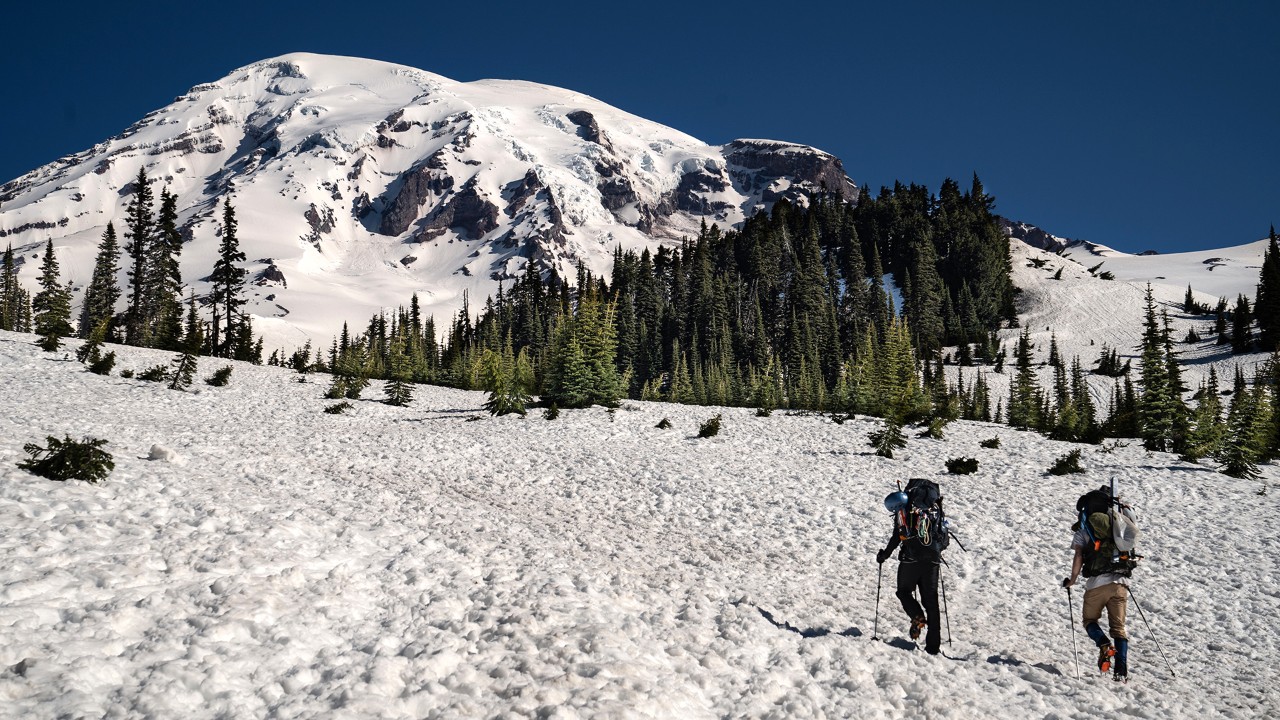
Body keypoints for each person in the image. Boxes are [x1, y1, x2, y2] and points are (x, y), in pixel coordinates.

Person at [1062, 485, 1132, 681]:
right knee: (1119, 629)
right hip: (1120, 583)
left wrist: (1072, 580)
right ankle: (1121, 672)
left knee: (1090, 621)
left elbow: (1078, 556)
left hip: (1096, 585)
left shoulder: (1084, 531)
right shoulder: (1118, 527)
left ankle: (1103, 644)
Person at [876, 480, 946, 655]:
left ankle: (916, 615)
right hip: (933, 560)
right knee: (932, 602)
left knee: (904, 591)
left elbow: (896, 537)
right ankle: (933, 647)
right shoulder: (935, 509)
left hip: (911, 559)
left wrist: (884, 555)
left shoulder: (904, 509)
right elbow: (944, 539)